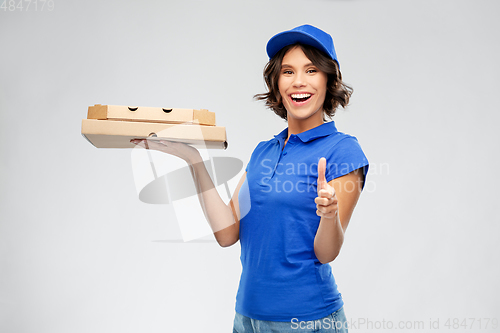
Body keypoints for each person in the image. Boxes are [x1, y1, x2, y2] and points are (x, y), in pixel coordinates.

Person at [132, 24, 369, 333]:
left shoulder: (343, 150)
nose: (299, 81)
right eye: (288, 72)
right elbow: (228, 234)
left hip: (307, 322)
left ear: (328, 79)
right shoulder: (264, 151)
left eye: (311, 71)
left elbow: (327, 253)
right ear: (277, 83)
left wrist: (329, 214)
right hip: (247, 319)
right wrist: (194, 161)